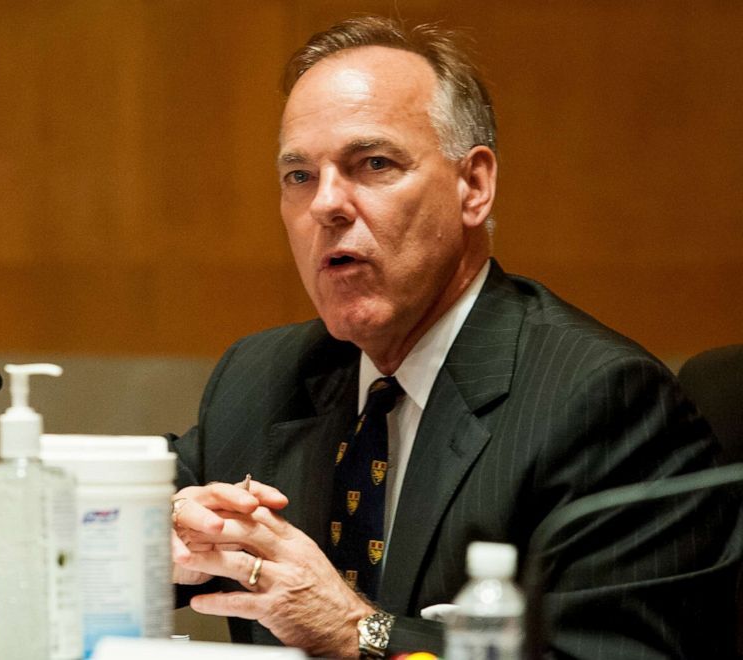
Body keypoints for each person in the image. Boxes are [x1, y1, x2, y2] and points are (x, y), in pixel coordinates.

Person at [166, 16, 741, 659]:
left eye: (373, 163)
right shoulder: (262, 374)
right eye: (299, 176)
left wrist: (357, 632)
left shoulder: (601, 402)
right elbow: (119, 506)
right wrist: (159, 528)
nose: (326, 204)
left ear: (474, 185)